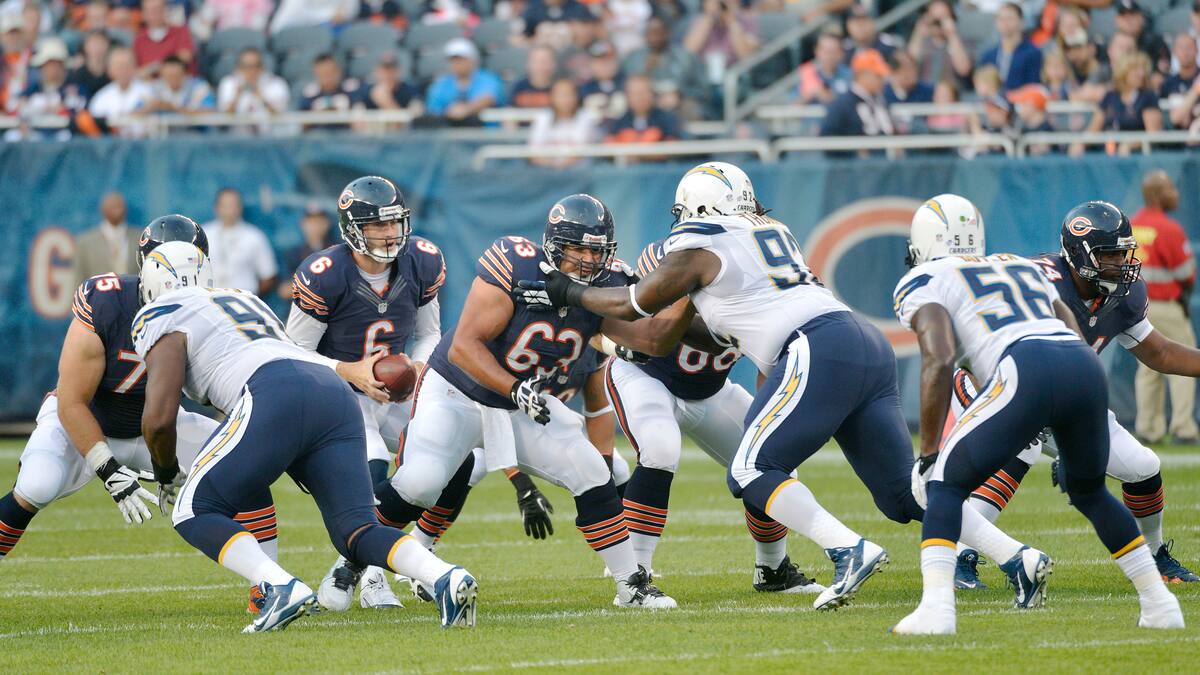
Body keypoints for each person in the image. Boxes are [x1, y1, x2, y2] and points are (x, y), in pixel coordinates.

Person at [514, 163, 1049, 613]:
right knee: (900, 491)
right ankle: (1016, 557)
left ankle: (845, 549)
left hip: (815, 346)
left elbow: (639, 312)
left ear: (695, 211)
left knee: (750, 468)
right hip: (861, 341)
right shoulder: (771, 231)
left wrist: (567, 290)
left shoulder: (700, 241)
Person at [133, 241, 477, 632]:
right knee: (357, 531)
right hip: (333, 393)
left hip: (273, 390)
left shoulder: (160, 312)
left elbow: (159, 418)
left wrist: (165, 472)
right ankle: (445, 576)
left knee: (194, 509)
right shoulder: (241, 296)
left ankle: (278, 586)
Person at [373, 194, 683, 609]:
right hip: (457, 392)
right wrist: (513, 388)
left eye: (597, 249)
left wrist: (690, 294)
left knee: (592, 469)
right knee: (420, 483)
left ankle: (631, 585)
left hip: (520, 404)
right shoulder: (515, 263)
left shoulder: (609, 283)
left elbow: (652, 340)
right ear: (554, 245)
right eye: (579, 248)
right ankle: (355, 564)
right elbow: (465, 346)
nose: (589, 260)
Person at [891, 194, 1183, 634]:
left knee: (943, 486)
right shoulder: (1015, 263)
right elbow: (1065, 321)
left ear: (919, 246)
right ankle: (1161, 606)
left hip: (1020, 367)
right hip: (1081, 368)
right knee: (1090, 492)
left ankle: (937, 609)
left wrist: (928, 450)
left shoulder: (924, 277)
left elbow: (938, 358)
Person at [948, 200, 1200, 588]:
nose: (1121, 261)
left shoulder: (1122, 294)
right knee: (1022, 447)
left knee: (1143, 466)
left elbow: (1159, 352)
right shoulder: (1038, 282)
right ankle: (960, 557)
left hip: (1063, 394)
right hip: (993, 379)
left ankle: (1155, 556)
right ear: (1080, 254)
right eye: (1110, 254)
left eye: (1123, 251)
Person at [0, 218, 257, 564]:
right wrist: (106, 469)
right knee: (37, 485)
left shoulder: (210, 309)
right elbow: (72, 400)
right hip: (85, 422)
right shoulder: (107, 302)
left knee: (248, 465)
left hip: (152, 427)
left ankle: (268, 586)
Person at [606, 238, 823, 594]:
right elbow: (655, 327)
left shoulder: (757, 270)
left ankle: (772, 570)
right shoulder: (667, 257)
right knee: (660, 449)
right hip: (648, 375)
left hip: (711, 390)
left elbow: (771, 358)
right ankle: (634, 578)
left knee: (769, 461)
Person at [282, 176, 446, 611]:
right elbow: (291, 352)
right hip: (338, 392)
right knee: (371, 470)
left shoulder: (422, 262)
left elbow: (430, 334)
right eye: (377, 225)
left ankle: (375, 561)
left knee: (460, 457)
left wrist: (417, 364)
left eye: (394, 223)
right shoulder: (326, 273)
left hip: (394, 387)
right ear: (353, 228)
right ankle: (374, 574)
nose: (390, 234)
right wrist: (349, 370)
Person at [1132, 172, 1199, 444]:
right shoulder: (1170, 229)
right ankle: (1183, 428)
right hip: (1167, 306)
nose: (1176, 193)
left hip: (1138, 308)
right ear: (1159, 195)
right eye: (1171, 188)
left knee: (1148, 367)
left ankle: (1149, 428)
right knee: (1183, 360)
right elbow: (1187, 274)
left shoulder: (1131, 225)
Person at [1072, 52, 1161, 156]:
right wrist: (1080, 143)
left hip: (1136, 155)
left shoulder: (1148, 97)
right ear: (1124, 71)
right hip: (1109, 152)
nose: (1141, 74)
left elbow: (1153, 134)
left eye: (1143, 69)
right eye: (1136, 69)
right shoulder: (1110, 96)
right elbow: (1093, 129)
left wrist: (1130, 145)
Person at [622, 16, 708, 112]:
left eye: (659, 33)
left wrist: (680, 94)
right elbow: (625, 87)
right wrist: (646, 70)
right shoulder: (634, 58)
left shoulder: (685, 57)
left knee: (692, 109)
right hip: (644, 104)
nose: (655, 38)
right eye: (651, 33)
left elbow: (703, 89)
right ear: (645, 35)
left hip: (680, 103)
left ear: (668, 33)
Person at [202, 188, 278, 296]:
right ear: (216, 208)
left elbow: (268, 275)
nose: (229, 209)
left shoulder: (254, 236)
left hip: (243, 304)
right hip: (209, 301)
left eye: (233, 205)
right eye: (225, 205)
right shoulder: (204, 234)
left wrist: (251, 297)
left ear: (240, 207)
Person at [10, 37, 89, 140]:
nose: (53, 69)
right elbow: (16, 109)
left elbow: (81, 114)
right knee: (13, 136)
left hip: (66, 140)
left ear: (64, 66)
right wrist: (41, 109)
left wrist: (62, 110)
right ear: (41, 67)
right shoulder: (31, 90)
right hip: (35, 138)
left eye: (57, 64)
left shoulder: (76, 90)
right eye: (49, 64)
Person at [819, 50, 894, 156]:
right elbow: (828, 139)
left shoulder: (881, 101)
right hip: (852, 170)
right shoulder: (842, 104)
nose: (882, 80)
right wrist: (854, 153)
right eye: (878, 76)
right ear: (862, 75)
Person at [682, 0, 761, 91]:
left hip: (734, 76)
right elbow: (687, 52)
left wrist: (732, 22)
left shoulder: (746, 21)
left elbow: (746, 57)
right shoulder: (701, 21)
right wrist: (709, 18)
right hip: (703, 76)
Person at [425, 38, 505, 125]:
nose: (456, 64)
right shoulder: (442, 83)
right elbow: (434, 108)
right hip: (449, 132)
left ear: (472, 60)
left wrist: (467, 109)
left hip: (483, 132)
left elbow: (488, 98)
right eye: (453, 61)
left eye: (461, 60)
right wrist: (450, 111)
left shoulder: (487, 78)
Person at [528, 78, 600, 168]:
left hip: (579, 172)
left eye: (569, 94)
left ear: (576, 96)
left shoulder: (586, 117)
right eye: (561, 94)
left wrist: (560, 166)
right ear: (552, 96)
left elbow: (581, 152)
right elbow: (534, 152)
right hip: (546, 171)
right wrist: (553, 166)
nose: (565, 99)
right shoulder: (543, 117)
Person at [75, 192, 140, 287]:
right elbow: (79, 278)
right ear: (103, 210)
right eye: (112, 207)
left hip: (132, 298)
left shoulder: (139, 237)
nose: (116, 210)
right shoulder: (85, 243)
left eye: (119, 206)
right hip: (99, 299)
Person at [907, 0, 973, 89]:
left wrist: (952, 35)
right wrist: (918, 33)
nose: (938, 24)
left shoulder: (961, 43)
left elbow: (964, 70)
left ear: (952, 18)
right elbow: (908, 65)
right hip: (924, 96)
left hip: (951, 97)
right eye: (935, 19)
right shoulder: (922, 42)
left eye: (943, 19)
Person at [216, 47, 290, 126]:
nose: (252, 71)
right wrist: (237, 96)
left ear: (262, 67)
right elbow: (223, 122)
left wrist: (262, 98)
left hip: (270, 136)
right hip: (236, 136)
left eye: (256, 66)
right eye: (246, 66)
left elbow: (281, 119)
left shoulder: (277, 84)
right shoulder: (228, 84)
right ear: (238, 67)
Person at [87, 47, 153, 134]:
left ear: (134, 67)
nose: (123, 70)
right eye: (119, 66)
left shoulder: (148, 91)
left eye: (127, 65)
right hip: (111, 144)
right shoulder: (102, 97)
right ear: (110, 70)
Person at [277, 204, 336, 302]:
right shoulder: (292, 254)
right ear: (303, 224)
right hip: (303, 310)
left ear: (327, 223)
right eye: (311, 222)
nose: (315, 226)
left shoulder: (338, 252)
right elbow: (284, 291)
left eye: (319, 221)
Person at [978, 3, 1042, 91]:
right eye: (1001, 19)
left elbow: (1033, 87)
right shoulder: (988, 56)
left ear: (1021, 22)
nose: (1005, 23)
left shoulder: (1033, 53)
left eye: (1010, 18)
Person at [605, 74, 682, 146]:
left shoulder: (668, 119)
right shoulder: (619, 123)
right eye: (635, 93)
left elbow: (673, 145)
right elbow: (609, 145)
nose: (640, 98)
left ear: (652, 93)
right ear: (627, 95)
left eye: (644, 92)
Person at [298, 53, 365, 129]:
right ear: (316, 73)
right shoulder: (309, 94)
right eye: (324, 74)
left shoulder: (352, 88)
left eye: (331, 72)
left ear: (338, 71)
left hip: (346, 135)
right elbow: (302, 125)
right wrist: (315, 114)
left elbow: (360, 111)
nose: (329, 77)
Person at [132, 0, 196, 78]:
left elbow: (186, 56)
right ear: (144, 14)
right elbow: (138, 71)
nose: (155, 14)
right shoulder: (139, 39)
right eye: (150, 11)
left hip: (180, 82)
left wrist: (154, 67)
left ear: (166, 10)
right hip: (151, 85)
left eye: (158, 10)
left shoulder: (180, 31)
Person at [143, 54, 215, 114]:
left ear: (185, 74)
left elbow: (209, 111)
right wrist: (150, 107)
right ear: (162, 75)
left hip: (194, 130)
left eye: (176, 76)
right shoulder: (154, 88)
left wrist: (174, 108)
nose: (173, 80)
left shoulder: (200, 87)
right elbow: (137, 112)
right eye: (169, 76)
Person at [797, 29, 851, 105]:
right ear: (816, 51)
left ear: (841, 53)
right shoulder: (806, 73)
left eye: (833, 51)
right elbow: (793, 108)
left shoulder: (850, 76)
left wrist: (827, 96)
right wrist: (809, 94)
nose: (829, 56)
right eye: (825, 51)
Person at [578, 40, 626, 122]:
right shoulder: (584, 89)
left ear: (616, 61)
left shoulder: (627, 85)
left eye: (608, 60)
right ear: (591, 64)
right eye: (599, 61)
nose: (604, 65)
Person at [363, 51, 422, 117]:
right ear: (377, 71)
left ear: (398, 71)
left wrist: (386, 101)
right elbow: (357, 118)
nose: (388, 74)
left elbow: (416, 115)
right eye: (385, 69)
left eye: (392, 69)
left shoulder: (410, 91)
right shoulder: (366, 91)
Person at [68, 30, 112, 102]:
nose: (98, 47)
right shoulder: (77, 75)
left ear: (108, 45)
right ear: (85, 46)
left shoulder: (113, 74)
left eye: (101, 43)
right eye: (94, 43)